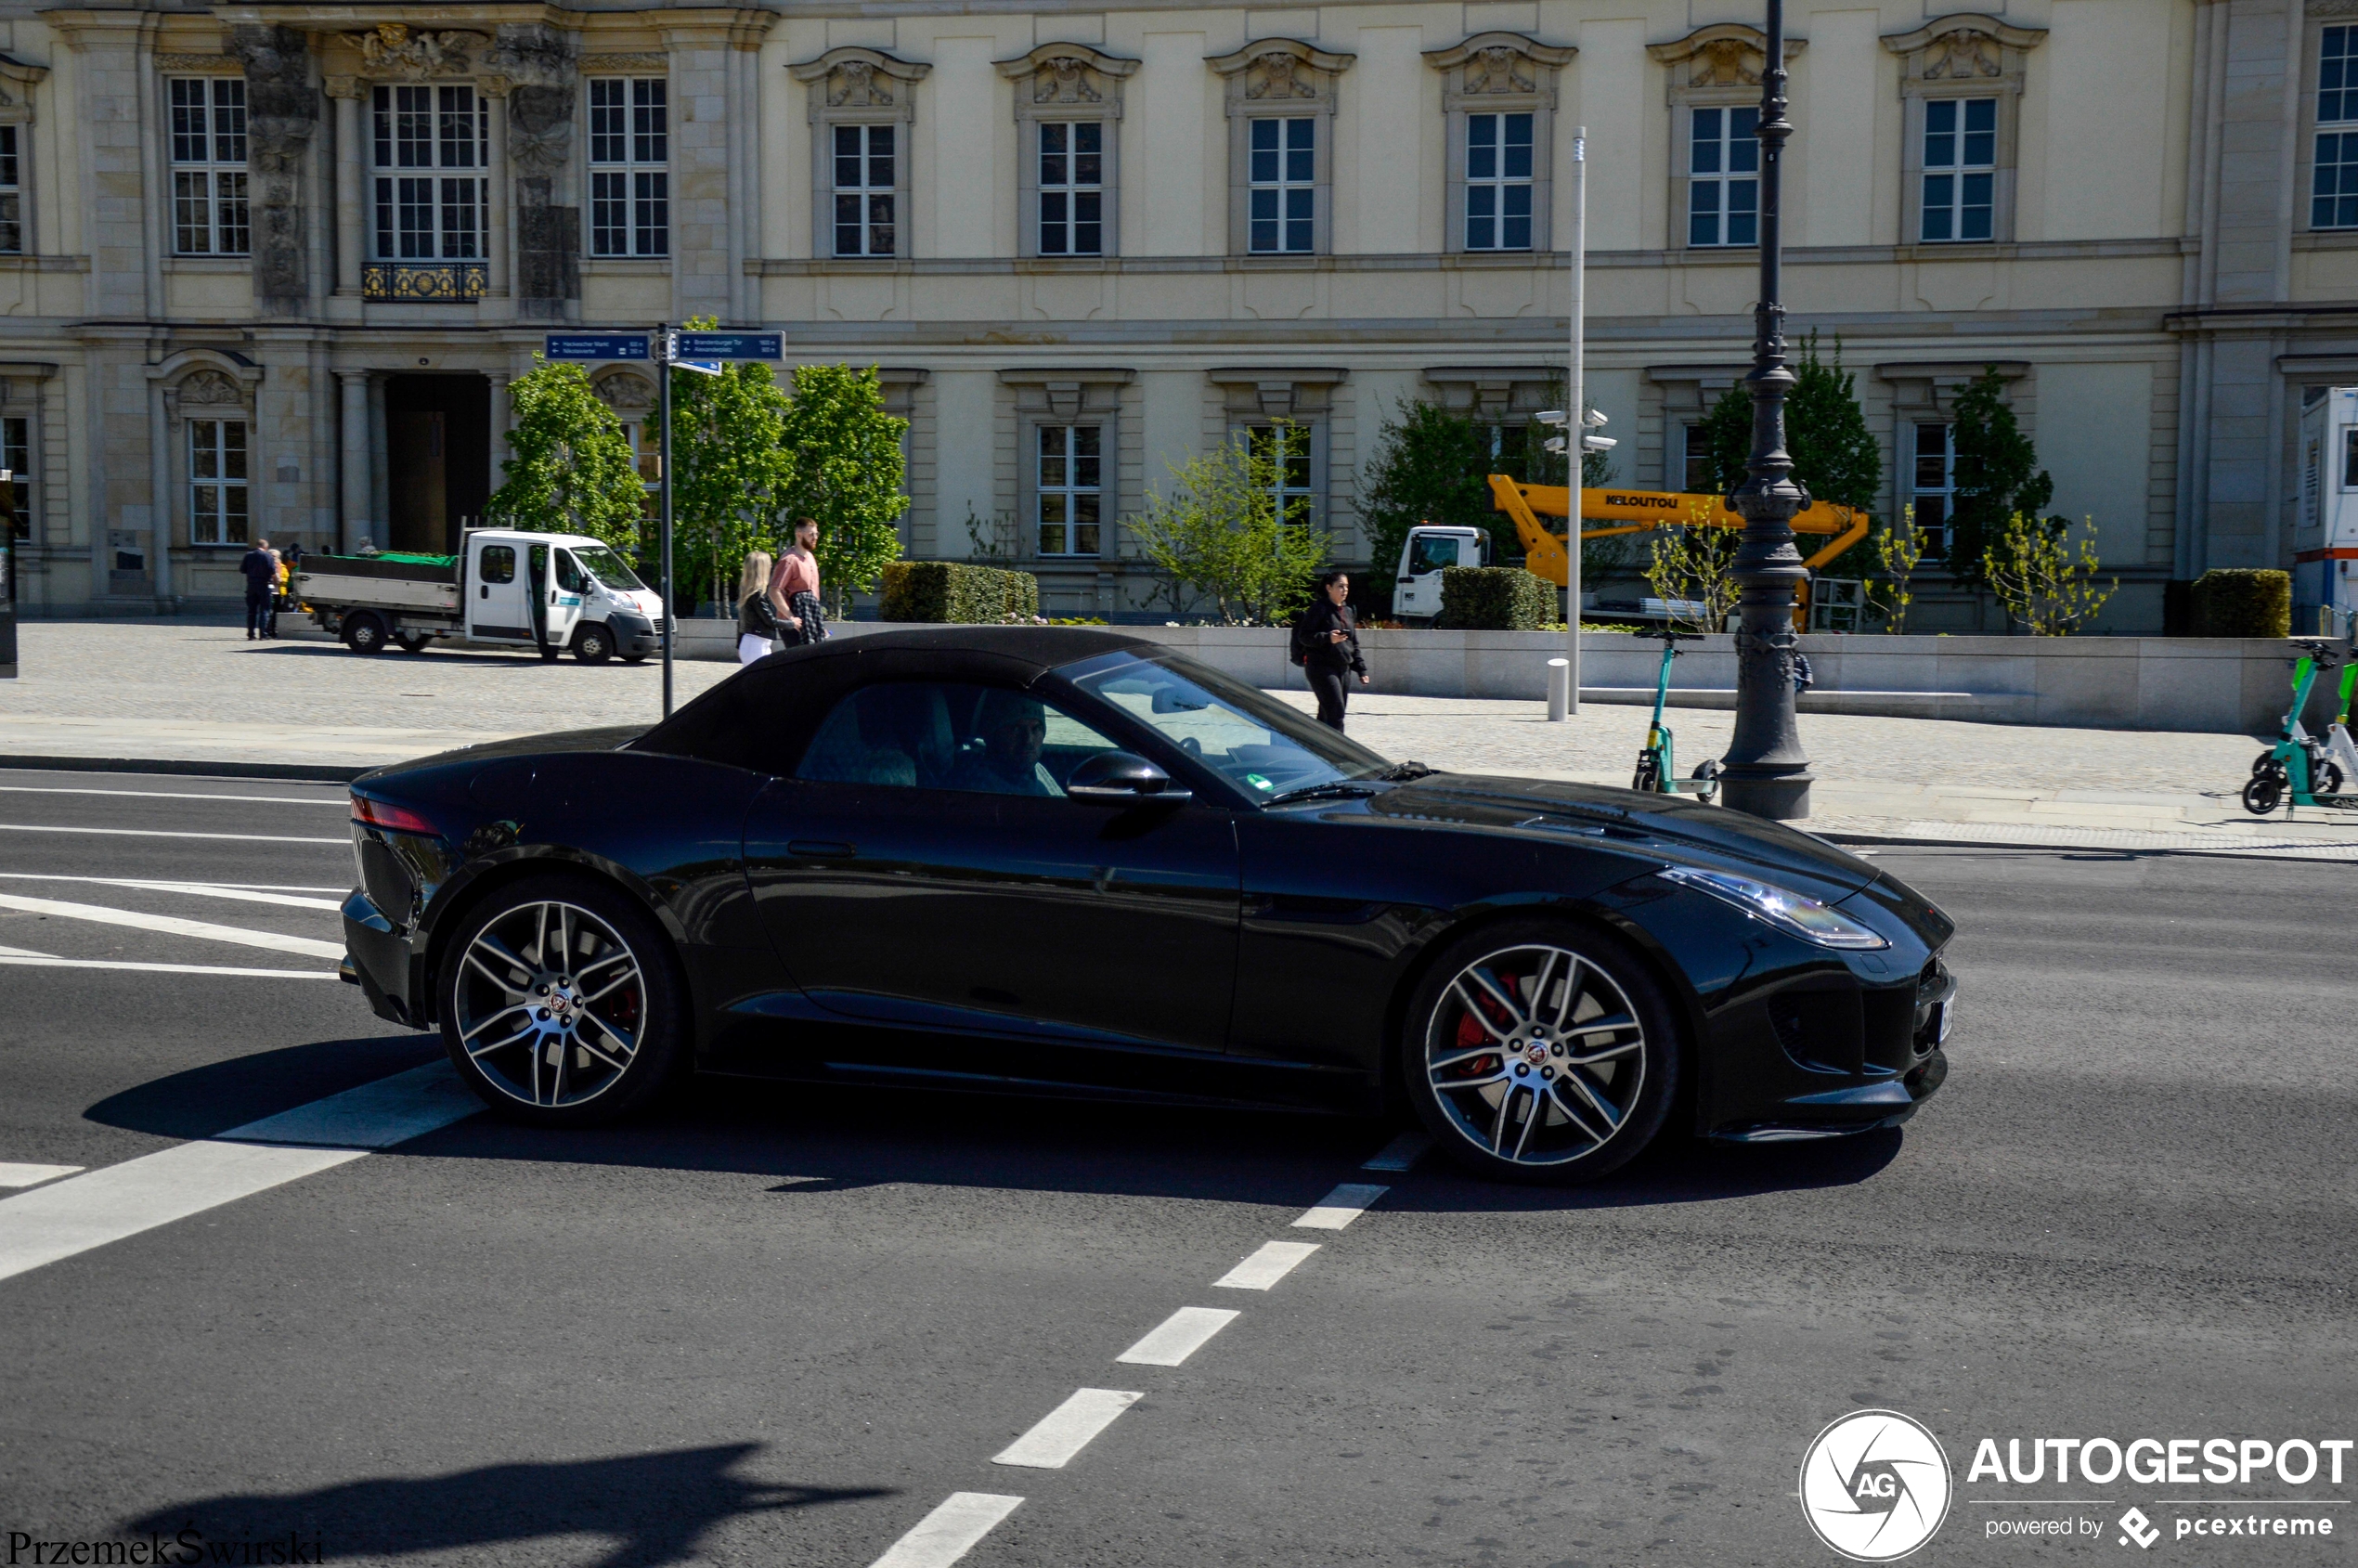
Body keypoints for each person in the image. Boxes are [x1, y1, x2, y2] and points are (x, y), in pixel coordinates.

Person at [1290, 569, 1368, 731]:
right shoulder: (1319, 609)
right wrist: (1327, 638)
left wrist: (1361, 670)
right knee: (1336, 712)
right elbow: (1304, 636)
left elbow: (1353, 643)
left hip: (1343, 668)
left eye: (1346, 587)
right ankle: (1340, 752)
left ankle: (1316, 747)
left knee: (1327, 714)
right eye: (1340, 586)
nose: (1344, 590)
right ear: (1329, 588)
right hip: (1321, 667)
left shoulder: (1347, 611)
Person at [950, 690, 1059, 797]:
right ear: (991, 735)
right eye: (1016, 729)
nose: (1028, 740)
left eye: (1036, 729)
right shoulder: (977, 787)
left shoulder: (1033, 768)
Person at [770, 517, 826, 646]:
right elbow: (774, 591)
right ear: (799, 535)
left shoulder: (811, 557)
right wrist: (791, 618)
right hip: (793, 624)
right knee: (799, 663)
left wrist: (817, 623)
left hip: (810, 619)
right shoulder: (789, 560)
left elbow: (814, 594)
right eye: (811, 534)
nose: (815, 537)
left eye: (817, 534)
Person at [735, 550, 779, 665]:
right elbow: (770, 621)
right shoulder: (757, 595)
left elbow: (741, 623)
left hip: (755, 644)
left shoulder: (749, 593)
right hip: (756, 645)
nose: (771, 567)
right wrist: (792, 624)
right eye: (769, 565)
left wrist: (739, 645)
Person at [238, 537, 276, 641]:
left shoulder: (248, 555)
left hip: (251, 585)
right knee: (265, 610)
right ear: (265, 547)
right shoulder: (267, 556)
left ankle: (251, 634)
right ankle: (263, 634)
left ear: (257, 546)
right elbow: (272, 570)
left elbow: (242, 569)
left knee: (251, 611)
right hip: (264, 585)